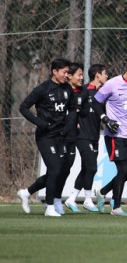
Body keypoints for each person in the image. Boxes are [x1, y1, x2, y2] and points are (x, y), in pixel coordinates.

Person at [17, 58, 76, 216]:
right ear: (54, 71)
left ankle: (27, 193)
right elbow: (23, 107)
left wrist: (68, 127)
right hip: (45, 136)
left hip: (61, 136)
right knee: (55, 169)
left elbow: (72, 110)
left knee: (61, 171)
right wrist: (40, 123)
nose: (66, 75)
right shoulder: (42, 89)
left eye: (68, 72)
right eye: (64, 72)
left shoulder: (67, 89)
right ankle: (49, 207)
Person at [92, 57, 127, 216]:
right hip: (115, 134)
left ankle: (102, 192)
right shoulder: (112, 84)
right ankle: (116, 207)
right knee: (123, 168)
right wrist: (105, 118)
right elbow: (95, 102)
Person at [65, 64, 108, 212]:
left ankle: (71, 199)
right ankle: (88, 200)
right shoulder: (83, 91)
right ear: (97, 75)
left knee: (86, 168)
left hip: (94, 135)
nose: (106, 77)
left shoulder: (101, 94)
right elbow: (73, 109)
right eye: (105, 73)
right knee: (91, 167)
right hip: (82, 135)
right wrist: (74, 121)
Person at [58, 62, 85, 213]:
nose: (82, 78)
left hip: (72, 138)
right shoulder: (60, 91)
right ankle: (52, 200)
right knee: (56, 170)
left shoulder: (80, 93)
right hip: (58, 137)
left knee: (66, 170)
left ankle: (56, 199)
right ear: (69, 76)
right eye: (79, 75)